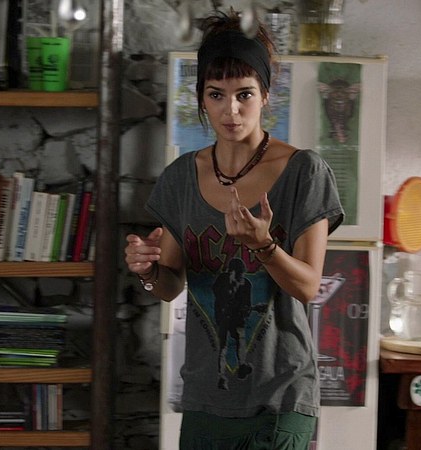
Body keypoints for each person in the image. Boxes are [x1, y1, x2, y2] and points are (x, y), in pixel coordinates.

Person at [124, 10, 344, 450]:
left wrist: (264, 246)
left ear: (266, 95)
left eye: (244, 94)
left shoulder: (304, 171)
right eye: (216, 95)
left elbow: (307, 286)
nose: (231, 110)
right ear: (202, 99)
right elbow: (170, 286)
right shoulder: (180, 178)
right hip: (205, 396)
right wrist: (147, 270)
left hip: (281, 395)